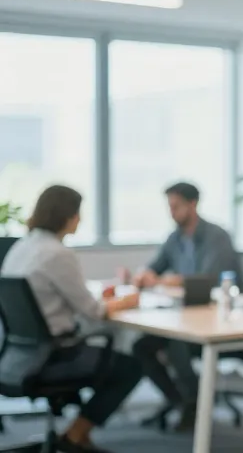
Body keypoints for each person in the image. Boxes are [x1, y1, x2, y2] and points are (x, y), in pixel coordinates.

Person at [0, 185, 142, 453]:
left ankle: (77, 435)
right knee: (130, 367)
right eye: (78, 213)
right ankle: (76, 435)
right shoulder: (57, 253)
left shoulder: (22, 246)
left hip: (19, 356)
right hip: (54, 356)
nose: (80, 219)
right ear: (66, 215)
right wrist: (127, 300)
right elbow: (94, 311)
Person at [130, 182, 243, 431]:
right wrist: (143, 275)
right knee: (141, 347)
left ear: (193, 204)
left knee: (175, 342)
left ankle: (194, 402)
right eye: (169, 207)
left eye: (176, 206)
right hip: (185, 314)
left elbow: (209, 279)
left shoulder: (216, 236)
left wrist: (165, 281)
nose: (171, 212)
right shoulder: (175, 237)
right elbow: (155, 267)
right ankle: (179, 400)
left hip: (217, 318)